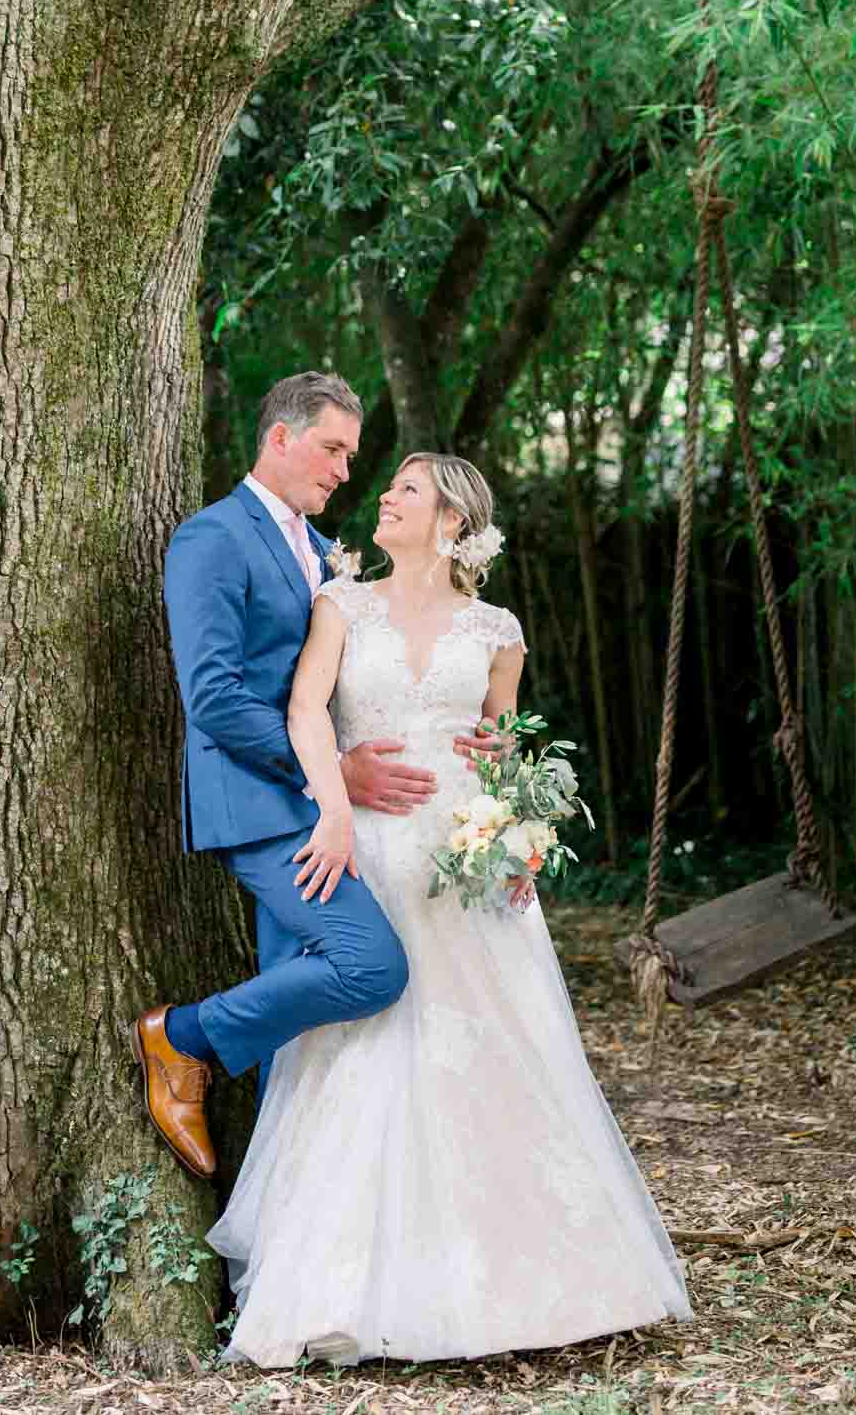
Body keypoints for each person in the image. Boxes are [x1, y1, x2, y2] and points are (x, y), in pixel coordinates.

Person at [208, 452, 692, 1366]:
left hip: (466, 857)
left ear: (453, 522)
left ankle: (519, 1289)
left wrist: (521, 835)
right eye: (386, 486)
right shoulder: (340, 604)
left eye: (407, 491)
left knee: (494, 1048)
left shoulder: (497, 628)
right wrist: (335, 812)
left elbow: (503, 742)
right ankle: (351, 1288)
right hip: (371, 849)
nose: (383, 497)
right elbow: (308, 711)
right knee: (369, 1034)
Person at [132, 373, 493, 1176]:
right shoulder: (212, 538)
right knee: (370, 968)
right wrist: (333, 770)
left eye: (350, 455)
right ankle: (179, 1039)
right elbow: (215, 698)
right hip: (256, 804)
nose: (343, 471)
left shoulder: (325, 553)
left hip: (322, 805)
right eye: (332, 449)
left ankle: (270, 1255)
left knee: (293, 1031)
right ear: (280, 439)